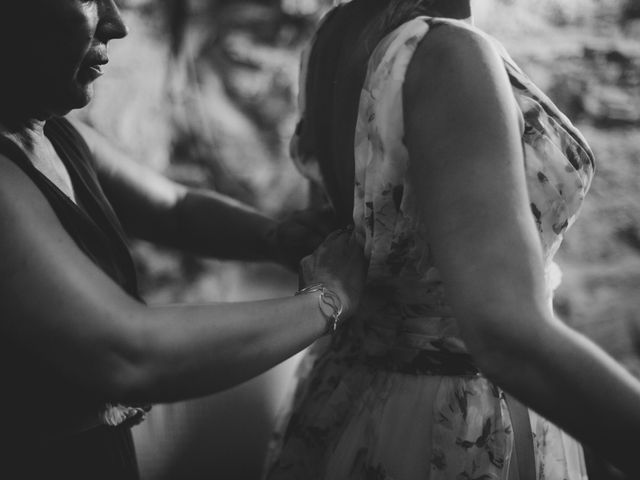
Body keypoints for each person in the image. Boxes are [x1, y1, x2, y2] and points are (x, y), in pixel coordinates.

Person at [264, 0, 640, 479]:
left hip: (354, 397)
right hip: (458, 424)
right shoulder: (448, 56)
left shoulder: (335, 37)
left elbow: (342, 231)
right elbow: (508, 337)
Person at [0, 1, 367, 479]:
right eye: (91, 0)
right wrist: (327, 299)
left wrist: (275, 238)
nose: (118, 24)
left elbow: (173, 209)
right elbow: (128, 352)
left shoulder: (58, 134)